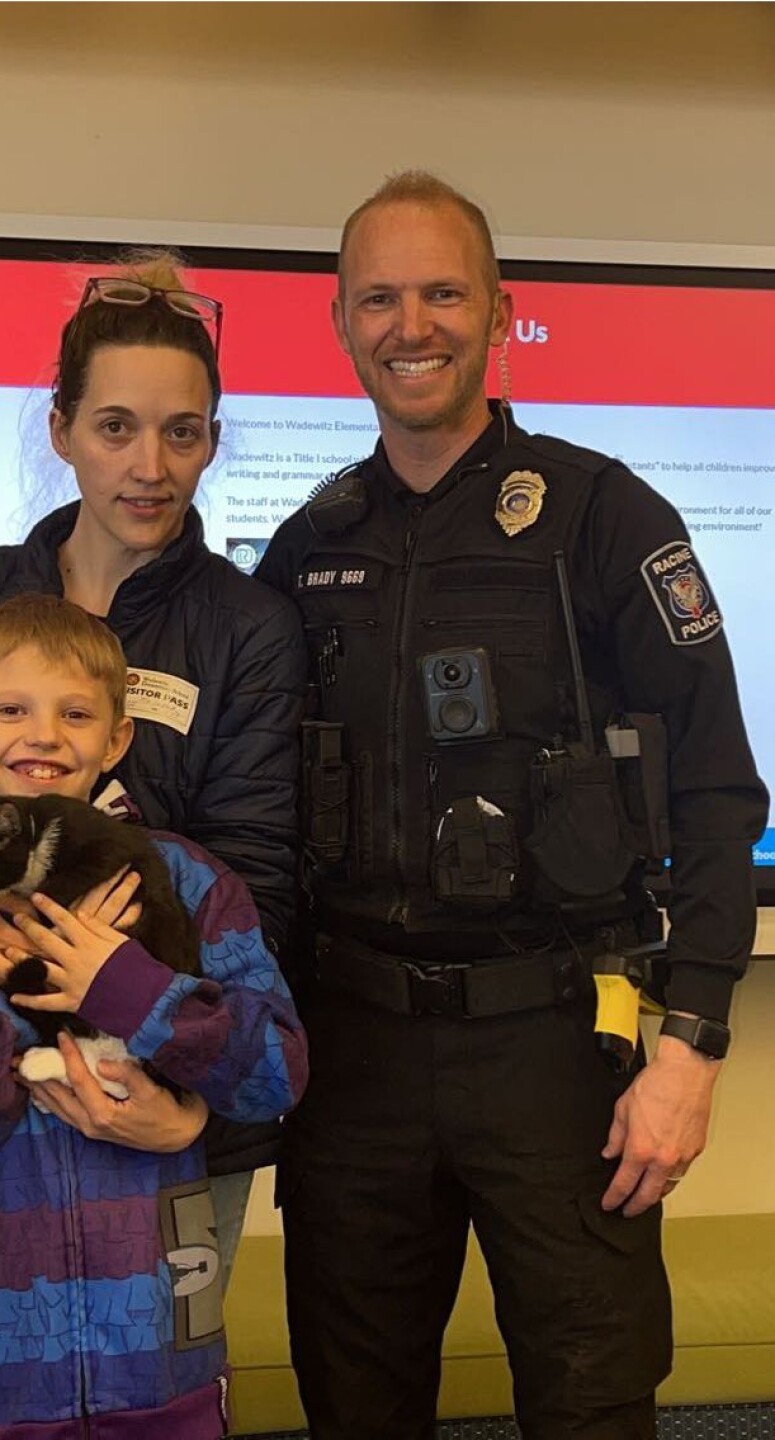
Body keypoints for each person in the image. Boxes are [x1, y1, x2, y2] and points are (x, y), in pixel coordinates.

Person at [257, 171, 769, 1440]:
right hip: (353, 1057)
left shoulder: (602, 515)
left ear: (499, 309)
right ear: (337, 319)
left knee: (592, 1406)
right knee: (354, 1408)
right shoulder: (305, 544)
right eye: (379, 297)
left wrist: (690, 1046)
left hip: (557, 1050)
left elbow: (715, 784)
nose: (409, 324)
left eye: (441, 292)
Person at [0, 253, 308, 1282]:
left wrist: (188, 1108)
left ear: (212, 440)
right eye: (116, 427)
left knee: (158, 1377)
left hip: (172, 1083)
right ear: (61, 429)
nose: (150, 467)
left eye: (182, 433)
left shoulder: (249, 628)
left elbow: (256, 878)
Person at [0, 592, 308, 1434]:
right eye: (10, 708)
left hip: (159, 1364)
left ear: (117, 738)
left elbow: (275, 1072)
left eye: (74, 713)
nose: (43, 735)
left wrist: (128, 988)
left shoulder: (188, 880)